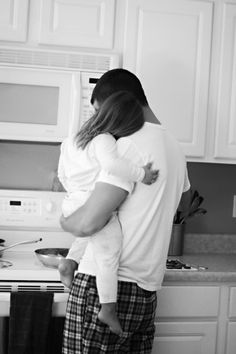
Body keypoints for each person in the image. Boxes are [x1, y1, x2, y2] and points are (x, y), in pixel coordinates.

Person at [60, 68, 190, 353]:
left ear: (117, 103)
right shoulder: (175, 148)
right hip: (146, 291)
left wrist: (65, 221)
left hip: (107, 289)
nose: (99, 123)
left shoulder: (128, 146)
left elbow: (89, 223)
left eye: (99, 112)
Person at [57, 90, 159, 335]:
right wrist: (141, 174)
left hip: (72, 200)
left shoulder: (71, 139)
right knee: (109, 254)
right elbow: (114, 165)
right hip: (90, 201)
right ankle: (108, 308)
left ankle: (69, 263)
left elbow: (61, 174)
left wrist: (76, 193)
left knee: (88, 235)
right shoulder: (104, 140)